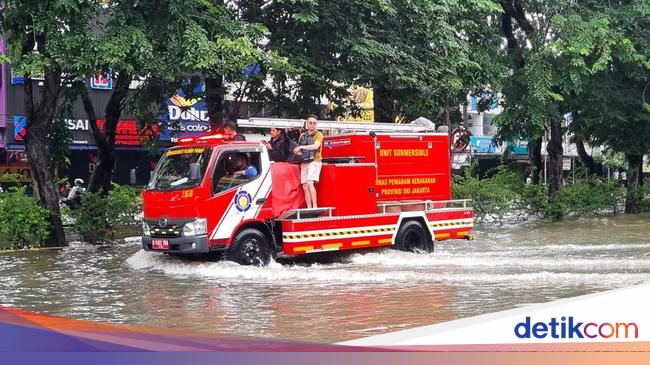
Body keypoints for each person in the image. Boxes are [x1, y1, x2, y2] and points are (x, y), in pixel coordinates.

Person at [293, 115, 323, 208]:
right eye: (310, 123)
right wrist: (297, 152)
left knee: (310, 182)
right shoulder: (302, 135)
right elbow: (298, 149)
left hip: (315, 160)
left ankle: (315, 206)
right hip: (304, 161)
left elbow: (315, 146)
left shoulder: (319, 134)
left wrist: (301, 147)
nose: (312, 125)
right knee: (305, 185)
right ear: (307, 124)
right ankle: (309, 207)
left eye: (314, 123)